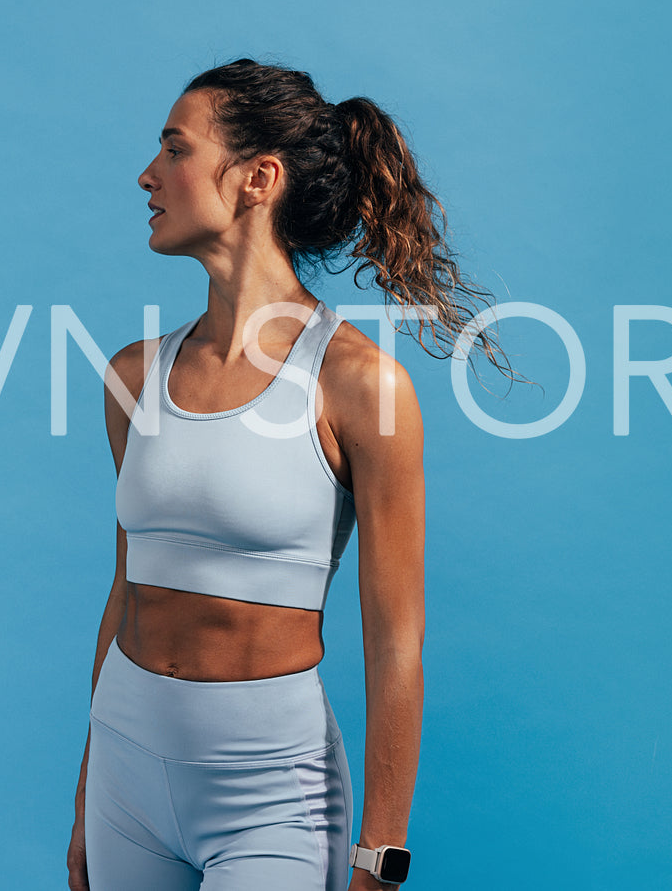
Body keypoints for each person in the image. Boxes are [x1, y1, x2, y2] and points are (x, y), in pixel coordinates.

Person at [66, 58, 513, 891]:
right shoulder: (133, 378)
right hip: (125, 771)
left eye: (174, 148)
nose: (147, 174)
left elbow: (394, 643)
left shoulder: (358, 385)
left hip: (269, 793)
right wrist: (89, 791)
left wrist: (380, 854)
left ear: (256, 178)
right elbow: (124, 591)